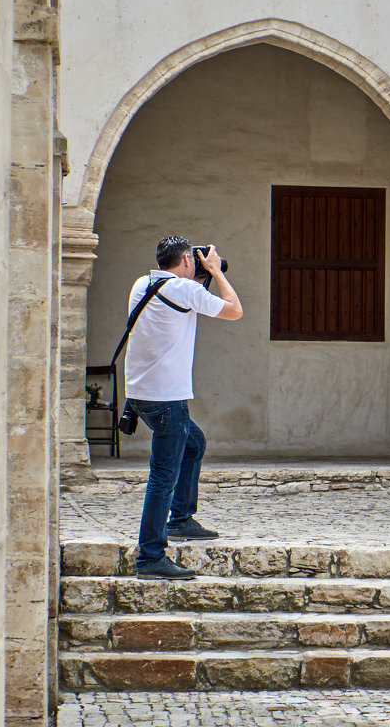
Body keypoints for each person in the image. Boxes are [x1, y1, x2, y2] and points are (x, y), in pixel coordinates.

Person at [124, 236, 243, 580]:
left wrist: (200, 274)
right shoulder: (183, 290)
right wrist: (217, 272)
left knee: (194, 444)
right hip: (166, 398)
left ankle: (180, 520)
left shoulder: (143, 283)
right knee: (163, 475)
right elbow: (234, 310)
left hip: (142, 394)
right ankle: (150, 556)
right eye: (196, 260)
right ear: (188, 260)